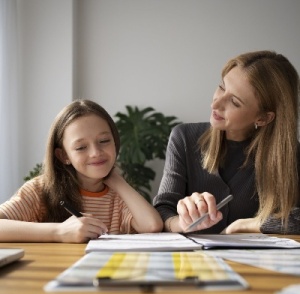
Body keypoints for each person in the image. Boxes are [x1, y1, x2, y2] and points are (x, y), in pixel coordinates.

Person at [154, 50, 300, 235]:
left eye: (235, 102)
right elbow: (162, 210)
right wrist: (182, 223)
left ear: (263, 118)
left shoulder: (290, 155)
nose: (215, 104)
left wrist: (244, 225)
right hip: (192, 261)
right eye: (222, 87)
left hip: (254, 264)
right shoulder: (184, 137)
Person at [0, 99, 163, 243]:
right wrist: (59, 232)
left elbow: (152, 225)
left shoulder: (119, 196)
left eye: (104, 141)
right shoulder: (39, 190)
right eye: (81, 147)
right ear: (64, 155)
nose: (96, 153)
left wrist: (117, 181)